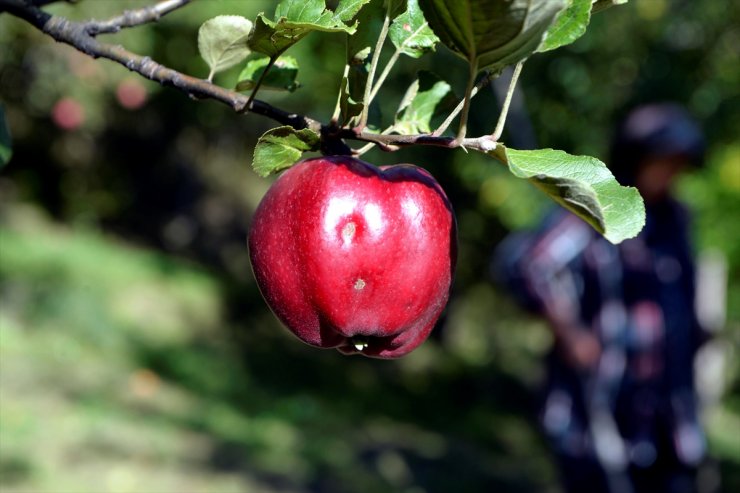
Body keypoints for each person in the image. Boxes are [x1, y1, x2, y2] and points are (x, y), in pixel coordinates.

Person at [493, 103, 709, 493]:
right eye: (665, 161)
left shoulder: (676, 219)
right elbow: (527, 264)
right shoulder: (598, 209)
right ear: (637, 157)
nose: (673, 173)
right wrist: (570, 330)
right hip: (598, 408)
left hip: (664, 416)